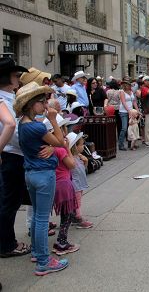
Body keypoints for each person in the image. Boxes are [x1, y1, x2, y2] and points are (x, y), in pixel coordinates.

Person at [14, 82, 69, 275]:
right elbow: (61, 141)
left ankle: (37, 252)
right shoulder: (37, 127)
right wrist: (54, 119)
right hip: (44, 175)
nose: (45, 105)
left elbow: (53, 145)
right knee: (42, 219)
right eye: (41, 101)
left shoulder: (23, 124)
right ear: (31, 104)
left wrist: (52, 147)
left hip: (30, 174)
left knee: (38, 216)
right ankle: (44, 260)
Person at [0, 58, 30, 259]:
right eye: (16, 76)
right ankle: (7, 244)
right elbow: (13, 127)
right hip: (12, 155)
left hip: (13, 154)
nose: (18, 80)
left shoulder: (9, 97)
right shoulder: (3, 99)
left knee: (11, 201)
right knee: (9, 202)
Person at [51, 128, 79, 256]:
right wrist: (67, 148)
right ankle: (62, 243)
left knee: (66, 214)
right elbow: (72, 165)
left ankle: (61, 242)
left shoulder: (49, 149)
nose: (64, 132)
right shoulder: (60, 149)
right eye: (62, 130)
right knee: (67, 214)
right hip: (64, 185)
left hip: (56, 183)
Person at [69, 132, 93, 229]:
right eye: (82, 144)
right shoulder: (71, 159)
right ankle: (78, 218)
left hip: (79, 183)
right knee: (77, 202)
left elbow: (83, 170)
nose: (83, 146)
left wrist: (86, 161)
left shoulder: (78, 156)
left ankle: (75, 217)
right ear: (75, 146)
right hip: (75, 184)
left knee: (77, 201)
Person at [118, 80, 139, 151]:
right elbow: (123, 102)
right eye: (125, 84)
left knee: (131, 127)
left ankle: (131, 144)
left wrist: (137, 110)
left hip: (131, 111)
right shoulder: (122, 92)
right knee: (124, 128)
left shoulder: (131, 92)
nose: (127, 86)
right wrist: (129, 111)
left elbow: (134, 102)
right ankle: (121, 144)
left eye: (128, 84)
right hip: (124, 111)